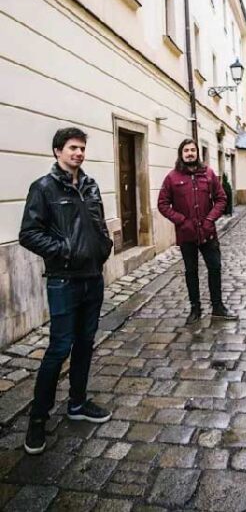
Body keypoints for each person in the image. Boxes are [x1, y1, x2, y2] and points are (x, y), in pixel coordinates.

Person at [19, 128, 113, 455]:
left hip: (92, 278)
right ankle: (37, 419)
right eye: (73, 147)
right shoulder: (43, 188)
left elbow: (98, 224)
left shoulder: (90, 185)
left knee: (85, 343)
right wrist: (64, 250)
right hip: (63, 280)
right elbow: (29, 233)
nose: (79, 153)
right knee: (59, 348)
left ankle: (77, 403)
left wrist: (103, 247)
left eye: (82, 148)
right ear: (58, 151)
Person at [158, 138, 237, 325]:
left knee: (215, 268)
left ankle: (218, 307)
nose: (190, 153)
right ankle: (195, 308)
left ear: (197, 153)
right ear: (181, 154)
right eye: (186, 150)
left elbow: (221, 198)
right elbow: (162, 204)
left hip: (208, 232)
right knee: (191, 272)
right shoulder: (172, 177)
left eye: (192, 150)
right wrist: (181, 221)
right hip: (187, 234)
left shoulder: (208, 174)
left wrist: (210, 219)